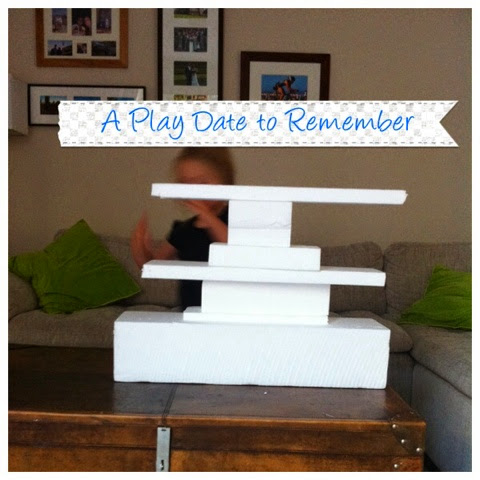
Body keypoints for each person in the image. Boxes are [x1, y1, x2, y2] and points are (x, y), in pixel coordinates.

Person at [130, 147, 235, 309]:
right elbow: (154, 267)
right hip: (189, 313)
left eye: (202, 183)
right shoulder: (183, 230)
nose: (194, 191)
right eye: (185, 184)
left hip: (228, 311)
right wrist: (141, 252)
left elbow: (236, 251)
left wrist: (209, 218)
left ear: (225, 182)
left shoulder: (235, 220)